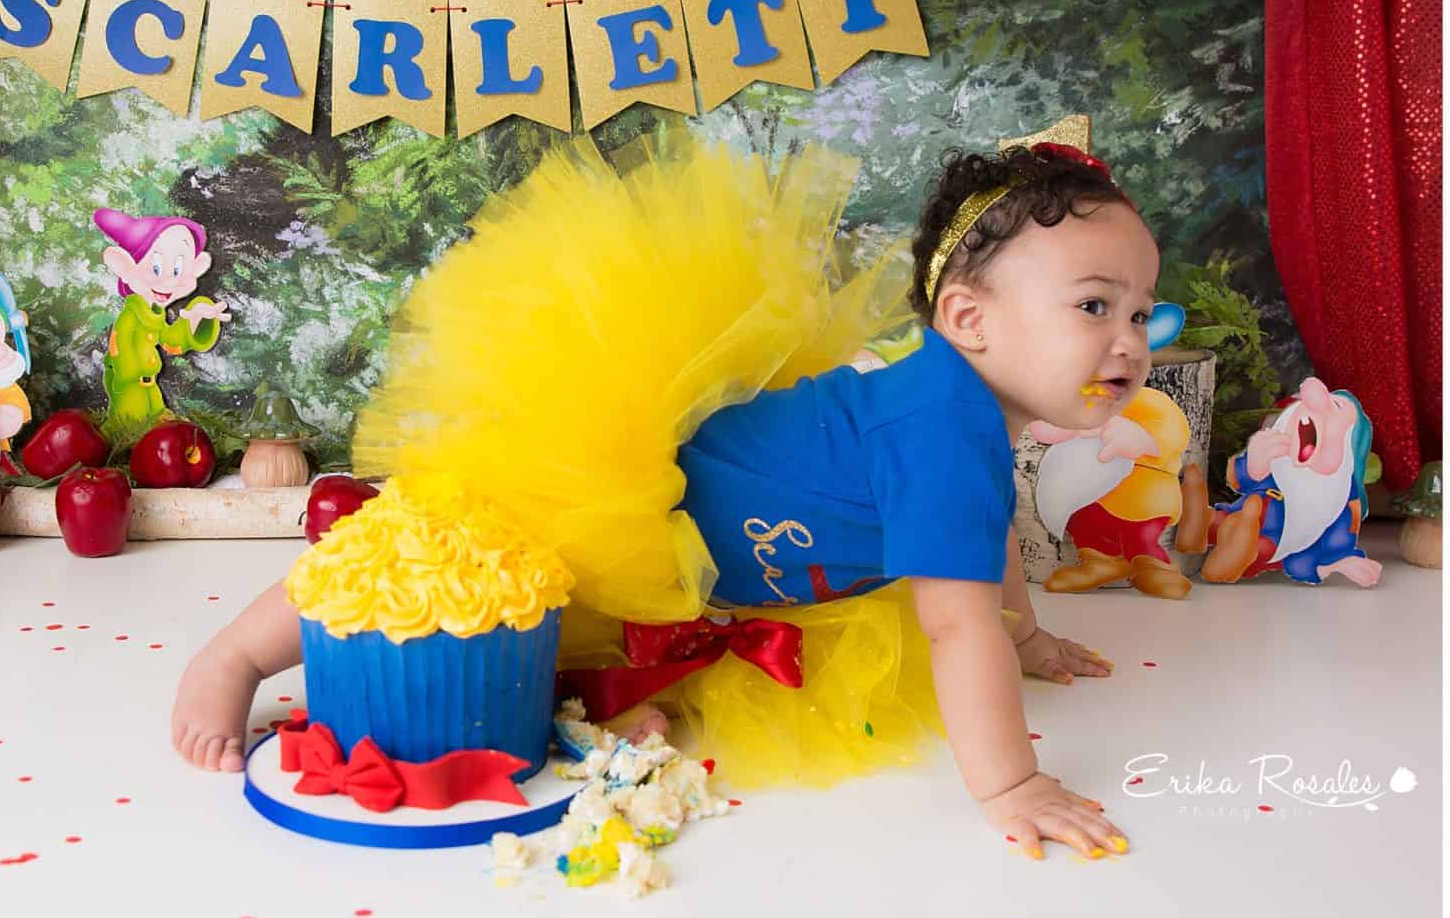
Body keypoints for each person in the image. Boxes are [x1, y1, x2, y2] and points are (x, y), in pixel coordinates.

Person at [173, 129, 1148, 860]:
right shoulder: (942, 431)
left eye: (1143, 314)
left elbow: (981, 543)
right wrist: (1010, 784)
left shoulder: (964, 423)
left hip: (702, 549)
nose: (1128, 343)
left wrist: (1023, 633)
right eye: (1094, 305)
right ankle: (234, 655)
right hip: (640, 489)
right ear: (967, 317)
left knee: (510, 630)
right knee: (442, 541)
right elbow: (956, 627)